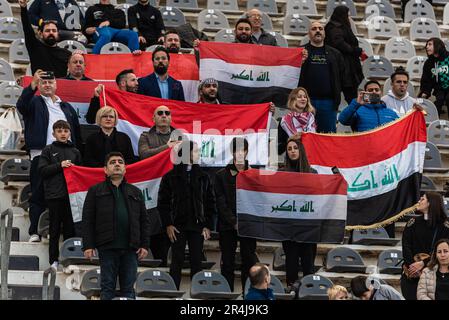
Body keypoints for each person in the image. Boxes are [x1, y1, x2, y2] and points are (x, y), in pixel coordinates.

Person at [17, 70, 81, 243]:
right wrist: (31, 86)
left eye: (50, 82)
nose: (47, 85)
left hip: (68, 156)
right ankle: (34, 232)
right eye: (43, 82)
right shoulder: (34, 101)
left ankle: (68, 235)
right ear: (39, 85)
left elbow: (76, 132)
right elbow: (21, 106)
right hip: (42, 154)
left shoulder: (66, 107)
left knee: (67, 197)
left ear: (56, 84)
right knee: (38, 193)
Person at [82, 152, 150, 300]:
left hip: (131, 248)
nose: (117, 164)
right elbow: (88, 220)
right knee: (107, 288)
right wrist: (88, 245)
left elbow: (144, 221)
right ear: (105, 170)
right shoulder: (95, 191)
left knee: (128, 290)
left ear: (125, 169)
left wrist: (144, 244)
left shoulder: (136, 192)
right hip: (107, 247)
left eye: (120, 162)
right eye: (112, 162)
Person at [157, 141, 215, 289]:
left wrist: (208, 225)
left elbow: (210, 203)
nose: (198, 154)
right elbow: (163, 203)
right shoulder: (170, 177)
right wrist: (168, 224)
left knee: (197, 260)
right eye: (195, 151)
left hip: (197, 225)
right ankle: (172, 292)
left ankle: (198, 291)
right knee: (176, 260)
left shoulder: (204, 177)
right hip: (177, 226)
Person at [138, 105, 181, 266]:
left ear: (171, 117)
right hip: (152, 186)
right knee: (153, 224)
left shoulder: (181, 136)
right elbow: (143, 155)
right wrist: (167, 147)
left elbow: (186, 158)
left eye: (167, 113)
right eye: (160, 113)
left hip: (174, 189)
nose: (164, 115)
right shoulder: (145, 136)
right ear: (153, 118)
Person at [215, 138, 258, 292]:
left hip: (248, 226)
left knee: (249, 261)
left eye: (243, 150)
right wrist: (234, 222)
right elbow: (220, 202)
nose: (240, 153)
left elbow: (258, 200)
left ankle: (248, 294)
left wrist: (247, 221)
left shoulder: (254, 174)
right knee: (227, 262)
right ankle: (227, 294)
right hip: (227, 226)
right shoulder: (221, 175)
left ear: (247, 151)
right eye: (236, 150)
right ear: (232, 152)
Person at [38, 120, 81, 269]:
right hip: (54, 195)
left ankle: (68, 259)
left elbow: (82, 173)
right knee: (54, 229)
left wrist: (76, 169)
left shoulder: (75, 151)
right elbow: (42, 171)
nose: (63, 133)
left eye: (65, 131)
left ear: (69, 133)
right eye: (59, 131)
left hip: (71, 196)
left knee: (70, 229)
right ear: (54, 134)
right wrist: (60, 165)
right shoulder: (48, 150)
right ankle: (53, 261)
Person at [279, 137, 317, 287]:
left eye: (295, 148)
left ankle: (309, 291)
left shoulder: (313, 173)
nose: (292, 151)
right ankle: (291, 290)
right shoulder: (281, 174)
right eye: (289, 149)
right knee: (291, 263)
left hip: (308, 228)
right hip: (289, 228)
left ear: (301, 150)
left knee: (308, 265)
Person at [401, 191, 449, 300]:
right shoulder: (412, 223)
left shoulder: (445, 227)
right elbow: (406, 245)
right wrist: (412, 267)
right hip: (411, 274)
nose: (419, 201)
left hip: (434, 274)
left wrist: (424, 263)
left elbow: (444, 251)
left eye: (422, 199)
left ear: (430, 203)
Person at [299, 21, 345, 133]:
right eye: (314, 29)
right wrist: (300, 62)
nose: (318, 31)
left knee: (327, 139)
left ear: (324, 33)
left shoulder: (335, 54)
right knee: (305, 137)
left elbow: (342, 76)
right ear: (308, 33)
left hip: (328, 103)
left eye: (320, 28)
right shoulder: (300, 52)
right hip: (305, 102)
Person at [19, 0, 72, 78]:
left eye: (54, 31)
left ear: (58, 34)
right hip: (39, 87)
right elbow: (27, 29)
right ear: (40, 34)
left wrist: (78, 54)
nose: (51, 33)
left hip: (60, 88)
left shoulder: (67, 54)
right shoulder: (35, 48)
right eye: (47, 30)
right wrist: (23, 8)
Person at [325, 5, 364, 104]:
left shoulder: (340, 26)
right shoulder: (334, 27)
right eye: (348, 16)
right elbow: (339, 43)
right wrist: (354, 50)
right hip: (343, 68)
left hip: (347, 66)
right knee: (349, 97)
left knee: (351, 97)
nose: (349, 18)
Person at [277, 87, 316, 155]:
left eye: (305, 97)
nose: (303, 99)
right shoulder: (284, 121)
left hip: (310, 158)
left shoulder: (311, 119)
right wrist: (290, 140)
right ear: (293, 100)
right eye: (299, 97)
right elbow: (278, 150)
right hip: (292, 160)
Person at [419, 37, 449, 115]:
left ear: (438, 45)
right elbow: (426, 79)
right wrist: (425, 91)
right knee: (439, 101)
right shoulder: (429, 63)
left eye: (430, 44)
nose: (427, 47)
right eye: (426, 45)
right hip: (439, 89)